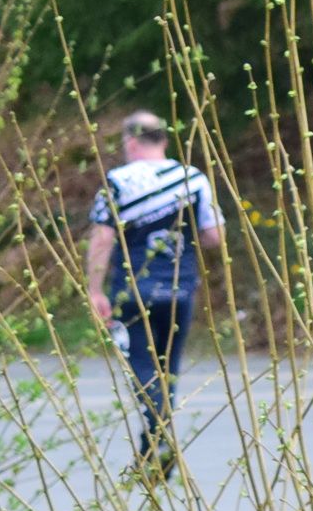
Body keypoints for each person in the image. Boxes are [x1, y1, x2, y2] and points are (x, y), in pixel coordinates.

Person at [84, 111, 224, 483]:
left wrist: (94, 290)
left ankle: (158, 443)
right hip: (180, 289)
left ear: (131, 142)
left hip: (132, 291)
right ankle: (153, 452)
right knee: (168, 368)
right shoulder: (192, 178)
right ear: (163, 139)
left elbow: (102, 238)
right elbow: (214, 236)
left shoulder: (117, 182)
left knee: (142, 367)